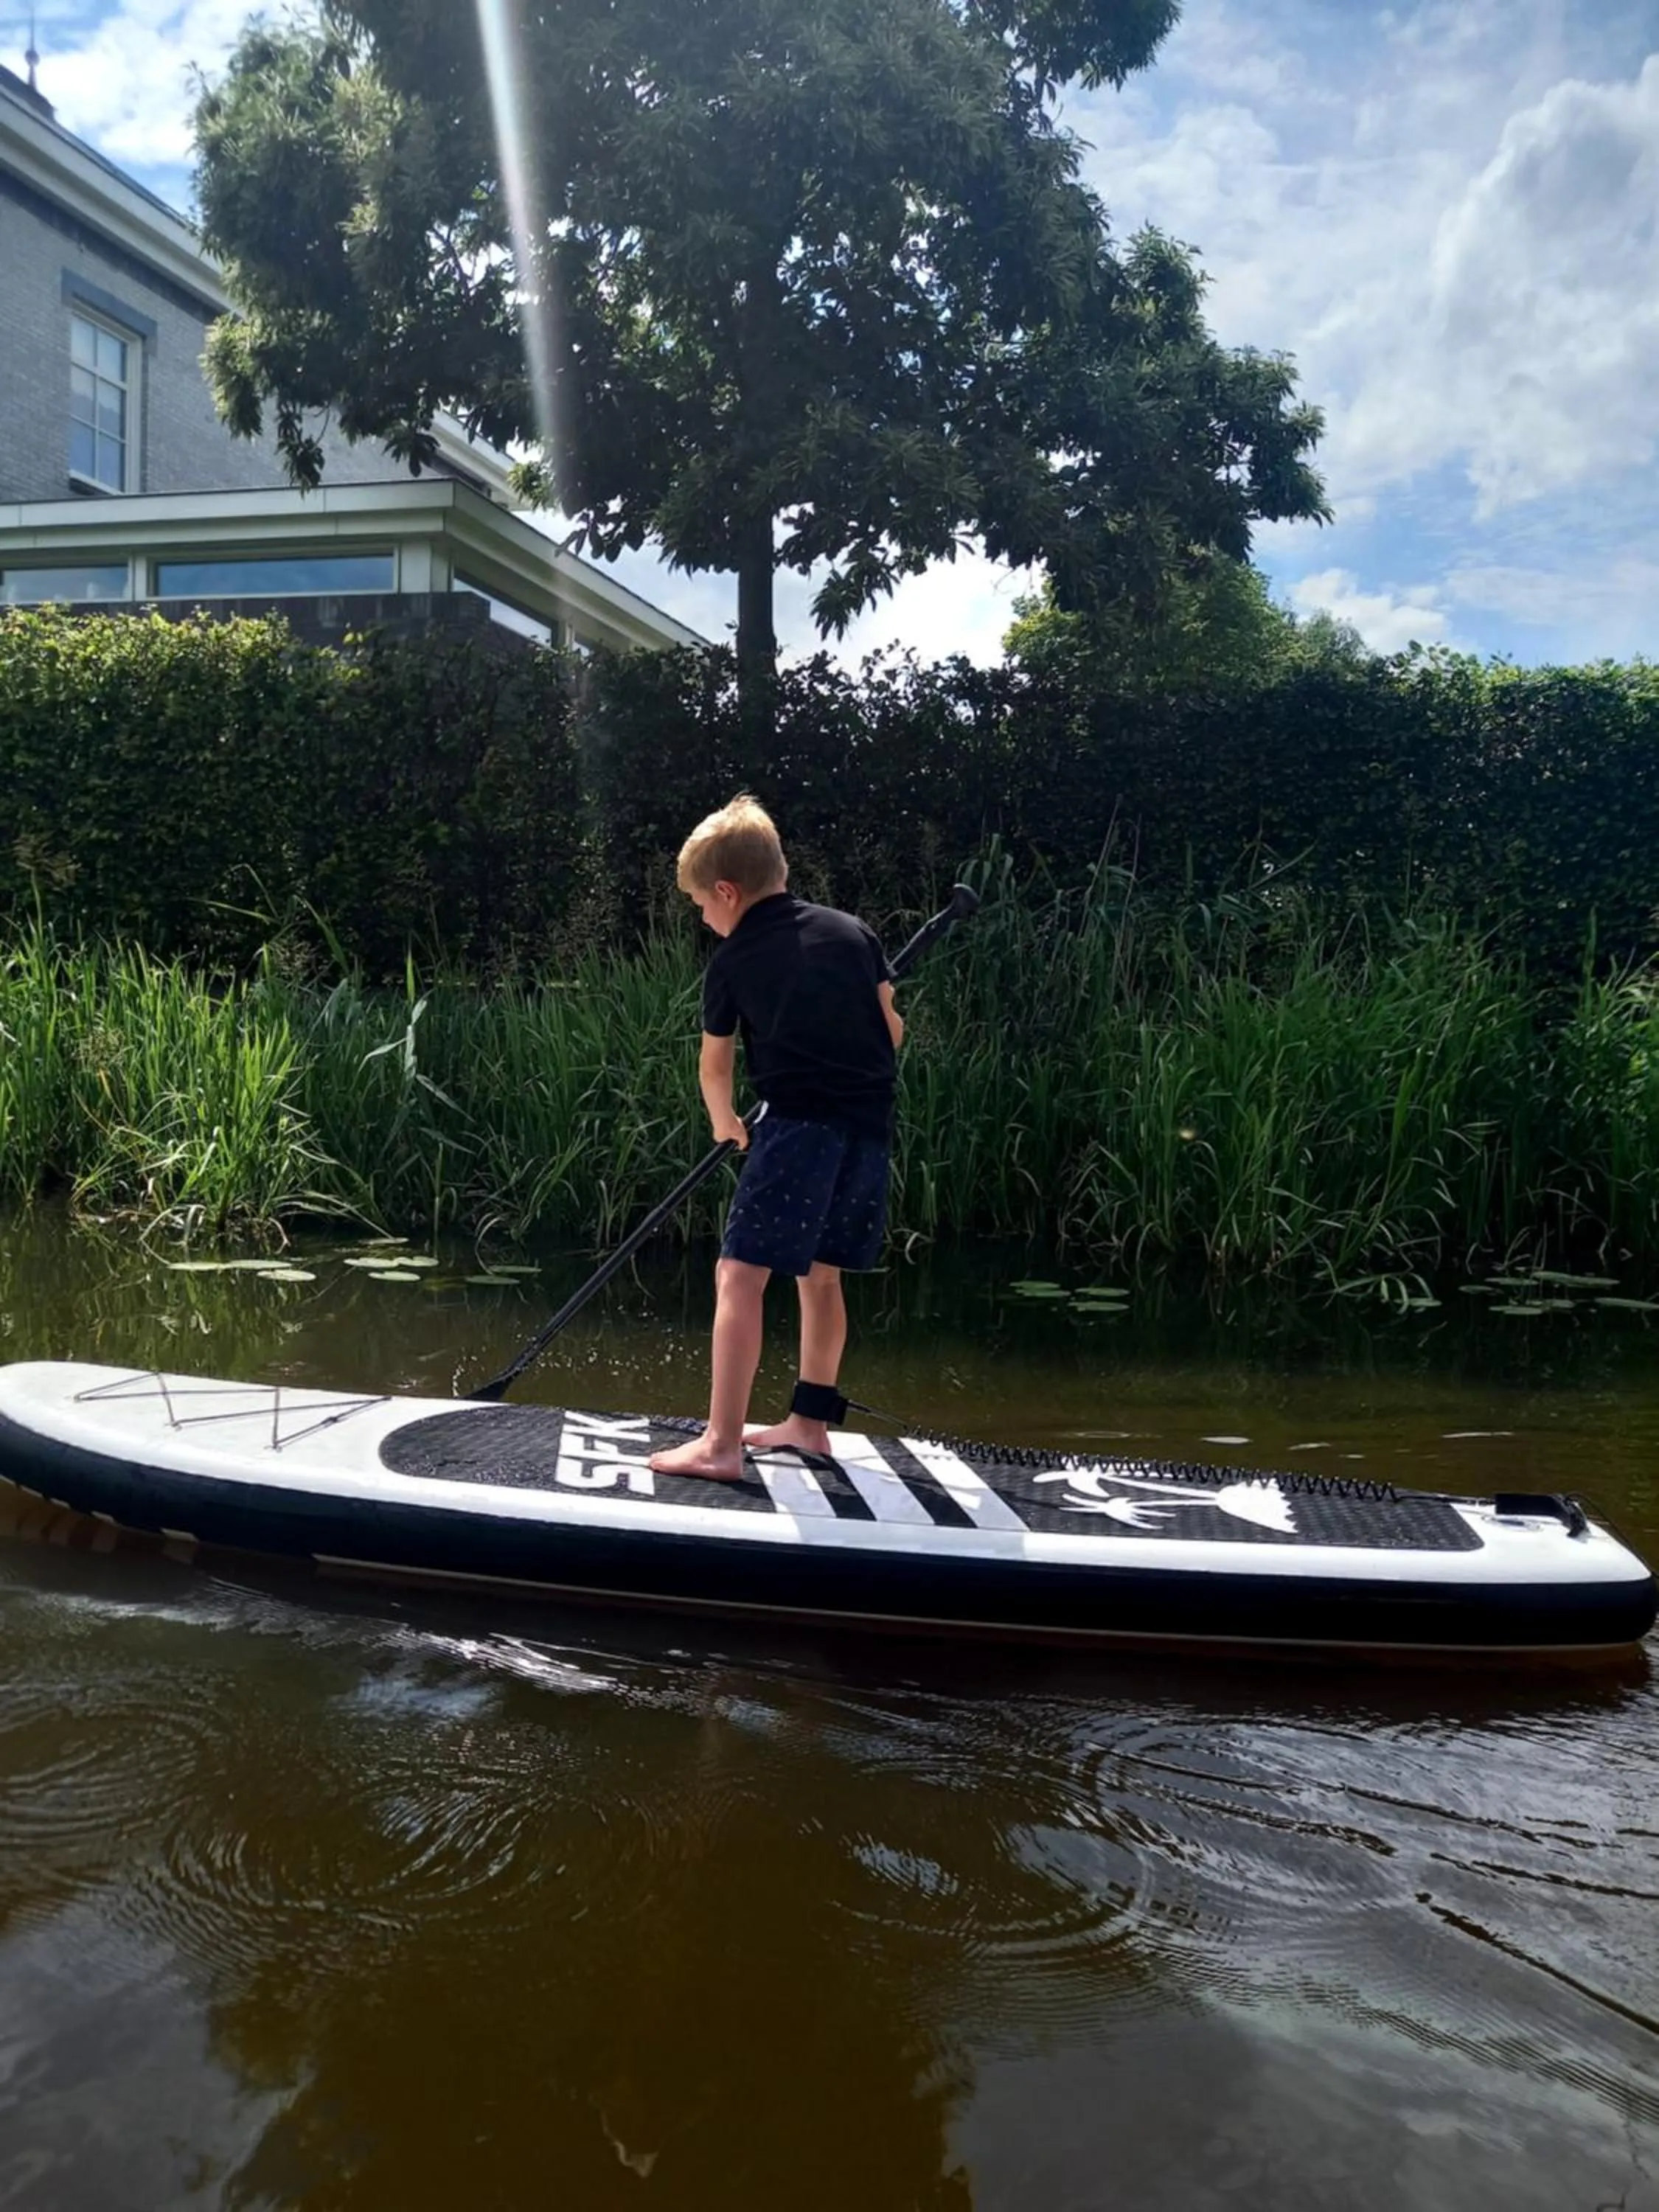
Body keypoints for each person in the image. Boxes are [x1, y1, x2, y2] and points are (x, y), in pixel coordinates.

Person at [649, 796, 903, 1481]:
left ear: (727, 892)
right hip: (869, 1131)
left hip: (796, 1129)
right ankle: (809, 1425)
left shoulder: (733, 962)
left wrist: (725, 1122)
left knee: (739, 1275)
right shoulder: (854, 933)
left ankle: (721, 1443)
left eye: (703, 905)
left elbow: (715, 1064)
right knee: (821, 1276)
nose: (705, 919)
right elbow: (893, 1031)